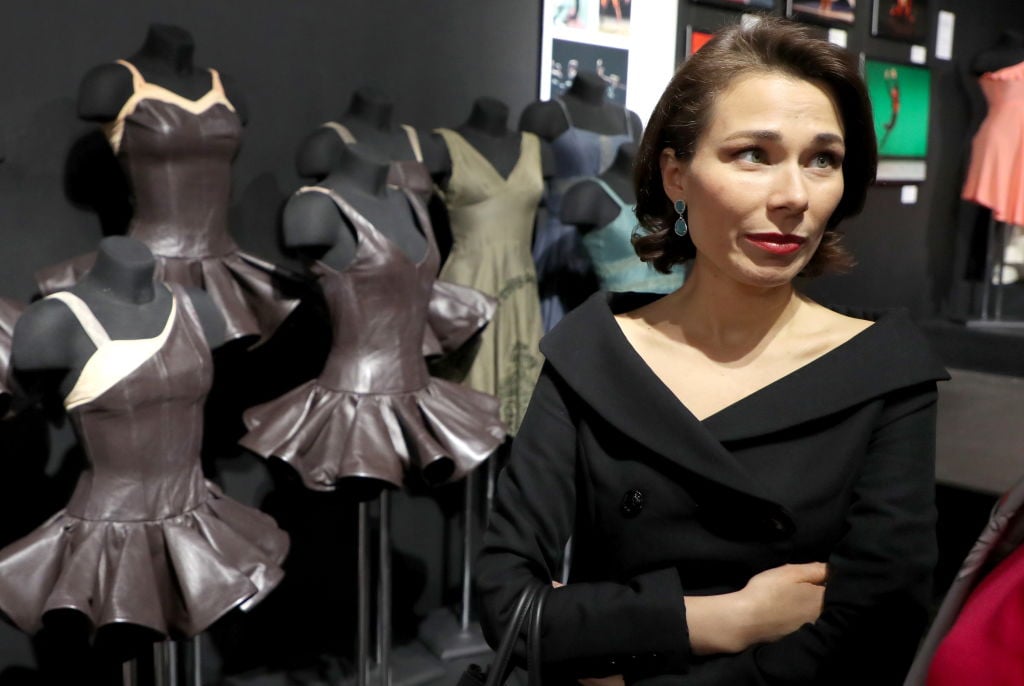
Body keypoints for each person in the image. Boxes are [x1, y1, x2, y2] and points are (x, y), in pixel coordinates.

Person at [477, 17, 948, 685]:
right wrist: (729, 617)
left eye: (823, 159)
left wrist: (614, 656)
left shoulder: (881, 371)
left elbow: (873, 631)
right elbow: (509, 602)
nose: (793, 196)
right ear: (676, 174)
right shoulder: (597, 357)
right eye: (752, 153)